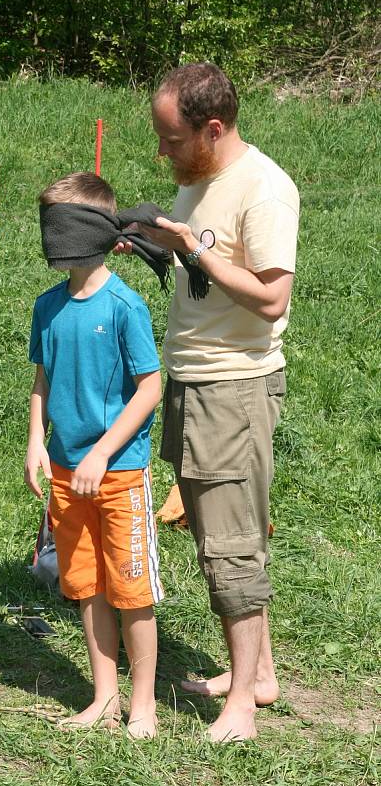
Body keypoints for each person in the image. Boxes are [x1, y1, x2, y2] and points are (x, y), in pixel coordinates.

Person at [118, 62, 299, 742]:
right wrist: (160, 242)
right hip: (193, 381)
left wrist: (193, 247)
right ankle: (256, 673)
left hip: (233, 386)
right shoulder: (199, 180)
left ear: (212, 128)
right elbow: (206, 266)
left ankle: (242, 712)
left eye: (170, 139)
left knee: (230, 549)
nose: (161, 151)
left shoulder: (264, 190)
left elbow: (270, 298)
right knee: (213, 533)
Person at [24, 171, 165, 738]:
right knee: (86, 584)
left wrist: (103, 453)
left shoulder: (126, 306)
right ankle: (105, 696)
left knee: (131, 590)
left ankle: (144, 707)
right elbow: (42, 377)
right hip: (64, 471)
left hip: (119, 474)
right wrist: (37, 437)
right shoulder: (48, 306)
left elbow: (151, 388)